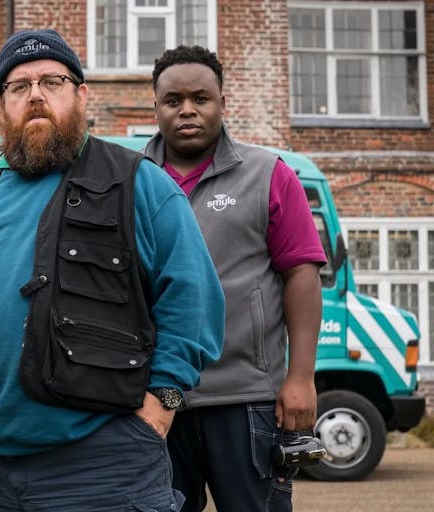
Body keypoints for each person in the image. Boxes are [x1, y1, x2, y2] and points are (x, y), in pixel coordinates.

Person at [0, 29, 225, 511]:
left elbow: (193, 298)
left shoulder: (138, 183)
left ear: (81, 94)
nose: (36, 96)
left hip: (103, 464)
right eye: (19, 86)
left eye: (52, 81)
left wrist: (161, 405)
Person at [144, 46, 327, 512]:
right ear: (157, 106)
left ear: (223, 104)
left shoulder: (269, 174)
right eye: (173, 100)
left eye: (201, 98)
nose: (187, 109)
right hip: (151, 400)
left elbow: (302, 273)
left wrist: (301, 377)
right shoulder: (130, 181)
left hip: (245, 400)